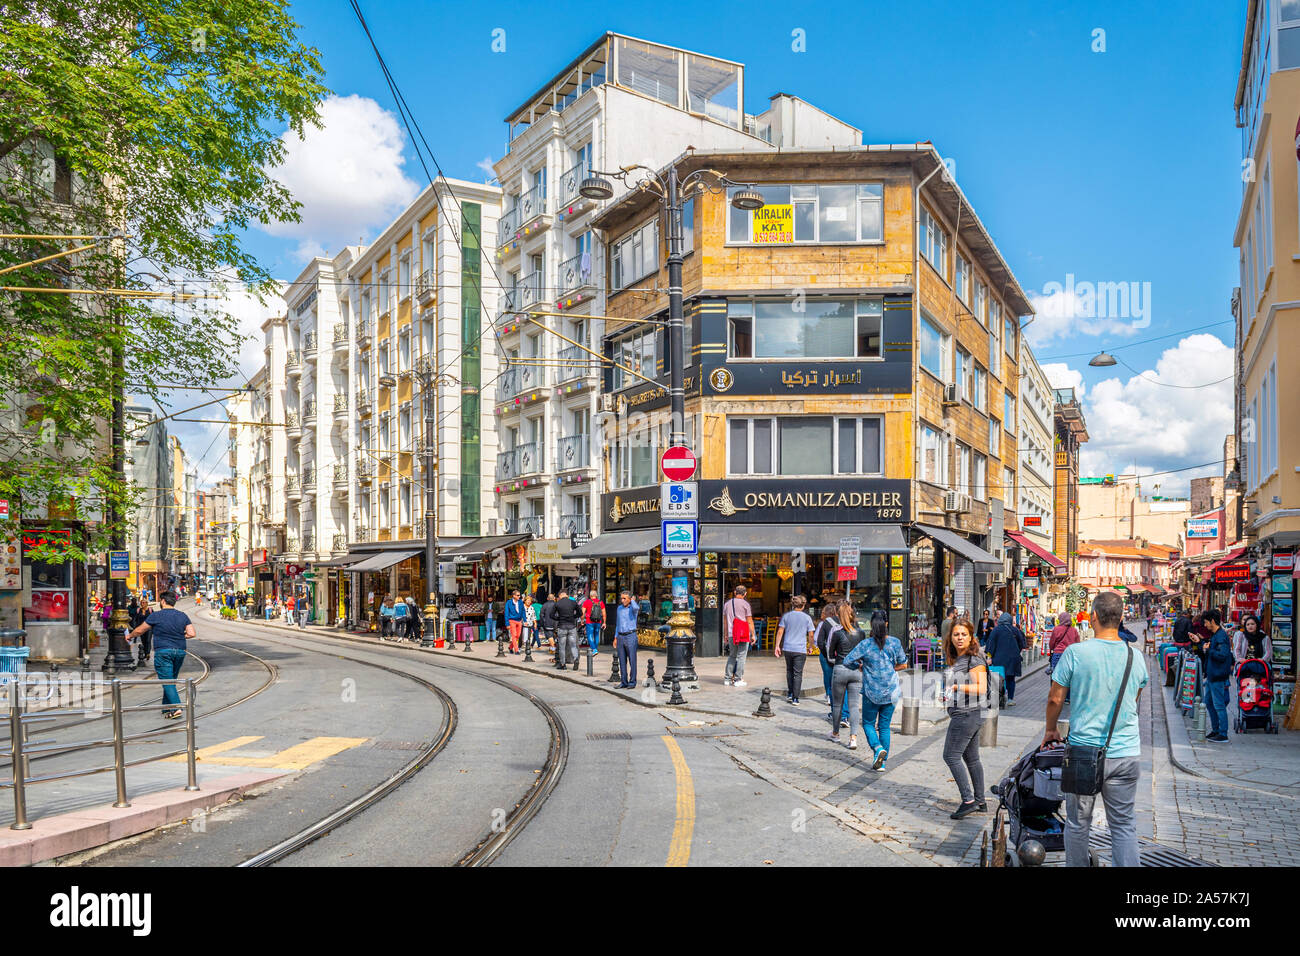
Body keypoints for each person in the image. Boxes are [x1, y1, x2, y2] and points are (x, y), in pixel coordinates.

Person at [1044, 591, 1147, 867]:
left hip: (1083, 752)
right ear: (1122, 617)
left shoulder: (1076, 653)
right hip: (1125, 754)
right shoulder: (1135, 657)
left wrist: (1050, 730)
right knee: (1124, 825)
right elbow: (1133, 699)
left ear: (1093, 618)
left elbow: (1055, 698)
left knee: (1078, 824)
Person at [846, 609, 909, 771]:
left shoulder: (865, 645)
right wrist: (891, 668)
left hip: (871, 692)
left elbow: (847, 661)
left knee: (868, 723)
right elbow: (904, 664)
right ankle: (883, 761)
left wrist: (859, 666)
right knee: (885, 726)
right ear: (886, 624)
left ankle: (877, 749)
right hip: (891, 691)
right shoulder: (895, 643)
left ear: (871, 626)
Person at [940, 616, 989, 819]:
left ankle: (968, 800)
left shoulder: (973, 658)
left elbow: (982, 688)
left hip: (967, 713)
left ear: (971, 637)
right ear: (950, 637)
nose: (960, 638)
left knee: (950, 756)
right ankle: (980, 800)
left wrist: (956, 686)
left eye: (964, 635)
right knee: (971, 758)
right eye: (956, 634)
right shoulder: (959, 657)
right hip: (969, 712)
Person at [127, 590, 194, 719]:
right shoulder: (183, 615)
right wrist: (179, 636)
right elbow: (191, 633)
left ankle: (175, 708)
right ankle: (166, 709)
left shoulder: (156, 616)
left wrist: (130, 635)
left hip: (163, 652)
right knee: (170, 680)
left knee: (167, 681)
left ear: (163, 601)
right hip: (180, 651)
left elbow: (141, 630)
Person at [826, 602, 867, 750]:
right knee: (854, 705)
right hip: (856, 670)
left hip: (840, 668)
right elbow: (864, 652)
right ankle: (853, 738)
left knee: (837, 704)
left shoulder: (837, 633)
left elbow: (830, 654)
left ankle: (836, 734)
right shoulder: (861, 633)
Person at [773, 594, 815, 704]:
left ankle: (790, 693)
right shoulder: (807, 618)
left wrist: (777, 646)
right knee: (798, 673)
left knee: (789, 671)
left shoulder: (786, 616)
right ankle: (795, 698)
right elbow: (811, 634)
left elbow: (780, 631)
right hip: (800, 649)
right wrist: (811, 646)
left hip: (788, 647)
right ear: (804, 605)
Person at [814, 601, 848, 726]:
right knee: (845, 688)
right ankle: (844, 715)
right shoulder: (851, 621)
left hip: (829, 658)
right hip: (845, 659)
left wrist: (827, 654)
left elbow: (819, 641)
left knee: (833, 686)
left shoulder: (826, 622)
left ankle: (835, 713)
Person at [1203, 609, 1232, 742]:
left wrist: (1209, 650)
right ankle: (1215, 730)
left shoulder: (1221, 637)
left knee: (1219, 705)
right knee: (1209, 702)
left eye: (1206, 622)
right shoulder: (1215, 635)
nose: (1205, 625)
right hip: (1211, 675)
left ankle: (1223, 733)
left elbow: (1223, 655)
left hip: (1217, 676)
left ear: (1212, 621)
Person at [985, 611, 1026, 706]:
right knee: (1011, 679)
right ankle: (1010, 699)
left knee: (999, 679)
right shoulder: (1015, 630)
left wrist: (990, 656)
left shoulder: (996, 630)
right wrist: (1016, 651)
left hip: (999, 659)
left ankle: (1000, 696)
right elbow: (1022, 644)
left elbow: (990, 645)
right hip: (1013, 659)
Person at [722, 585, 753, 688]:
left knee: (732, 655)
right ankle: (738, 679)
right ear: (745, 593)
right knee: (741, 656)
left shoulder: (727, 604)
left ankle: (727, 678)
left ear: (735, 592)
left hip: (731, 633)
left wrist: (726, 634)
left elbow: (725, 621)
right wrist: (753, 634)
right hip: (743, 633)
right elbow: (749, 621)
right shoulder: (746, 605)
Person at [614, 591, 639, 688]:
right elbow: (618, 623)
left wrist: (632, 601)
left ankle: (632, 682)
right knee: (622, 660)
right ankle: (624, 681)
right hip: (620, 636)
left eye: (625, 598)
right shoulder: (619, 608)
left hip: (630, 636)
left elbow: (637, 608)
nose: (622, 600)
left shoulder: (633, 608)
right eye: (621, 598)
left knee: (632, 660)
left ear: (629, 599)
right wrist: (615, 637)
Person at [553, 588, 581, 669]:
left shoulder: (558, 604)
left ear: (561, 594)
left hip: (562, 627)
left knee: (562, 647)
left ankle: (563, 664)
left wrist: (559, 618)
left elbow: (551, 615)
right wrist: (573, 617)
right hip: (572, 626)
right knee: (573, 645)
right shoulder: (573, 602)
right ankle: (576, 659)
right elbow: (580, 613)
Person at [582, 588, 605, 657]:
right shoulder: (600, 602)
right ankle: (595, 649)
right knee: (596, 635)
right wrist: (604, 622)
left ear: (590, 595)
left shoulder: (586, 602)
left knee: (590, 635)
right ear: (596, 595)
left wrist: (582, 620)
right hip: (598, 621)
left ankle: (594, 649)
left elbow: (582, 613)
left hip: (589, 621)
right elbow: (604, 613)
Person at [504, 590, 527, 654]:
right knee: (514, 635)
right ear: (513, 596)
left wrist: (525, 620)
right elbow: (506, 613)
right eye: (517, 595)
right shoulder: (509, 602)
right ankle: (516, 650)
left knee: (518, 635)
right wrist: (507, 623)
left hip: (519, 620)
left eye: (519, 595)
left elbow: (523, 611)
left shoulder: (520, 602)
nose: (519, 596)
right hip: (512, 621)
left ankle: (510, 647)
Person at [541, 592, 558, 657]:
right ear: (554, 598)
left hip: (547, 623)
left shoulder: (545, 605)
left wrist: (543, 623)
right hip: (556, 622)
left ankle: (553, 648)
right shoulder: (556, 604)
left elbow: (542, 615)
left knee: (549, 636)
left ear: (547, 598)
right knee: (553, 636)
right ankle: (552, 648)